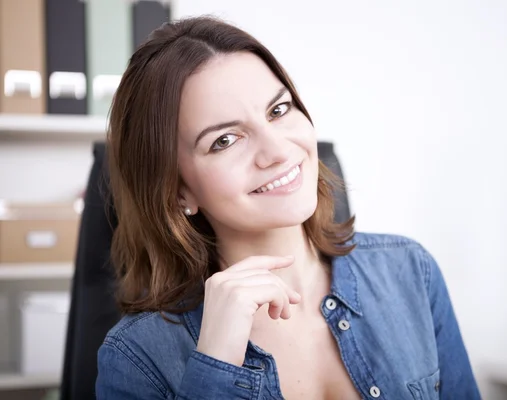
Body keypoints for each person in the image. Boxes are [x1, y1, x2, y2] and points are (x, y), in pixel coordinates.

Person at [95, 15, 481, 400]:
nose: (278, 150)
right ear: (178, 191)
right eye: (226, 140)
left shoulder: (412, 272)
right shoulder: (136, 357)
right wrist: (217, 361)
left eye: (278, 111)